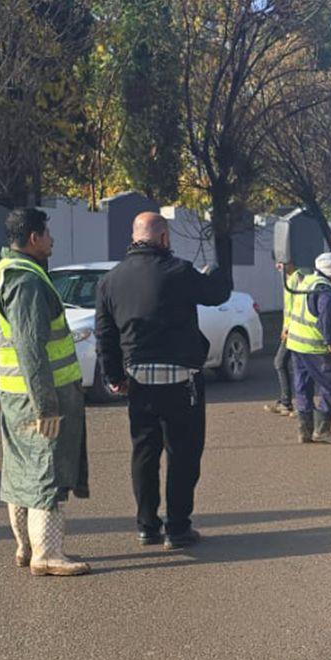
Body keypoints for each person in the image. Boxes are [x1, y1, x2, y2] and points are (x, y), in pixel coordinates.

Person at [94, 211, 230, 549]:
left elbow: (104, 335)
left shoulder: (110, 280)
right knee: (183, 454)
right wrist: (217, 270)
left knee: (144, 452)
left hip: (138, 381)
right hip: (181, 381)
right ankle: (178, 528)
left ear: (133, 236)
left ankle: (147, 526)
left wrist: (114, 376)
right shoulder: (179, 272)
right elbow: (216, 294)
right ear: (164, 238)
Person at [0, 206, 90, 577]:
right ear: (33, 238)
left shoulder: (4, 273)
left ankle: (25, 547)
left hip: (16, 395)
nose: (52, 240)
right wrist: (46, 405)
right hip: (40, 398)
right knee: (45, 471)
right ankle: (46, 554)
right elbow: (31, 347)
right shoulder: (27, 282)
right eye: (47, 233)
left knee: (20, 470)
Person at [287, 251, 331, 444]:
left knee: (303, 386)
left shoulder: (307, 281)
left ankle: (304, 431)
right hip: (314, 346)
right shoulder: (325, 290)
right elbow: (325, 320)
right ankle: (322, 429)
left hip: (296, 343)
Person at [264, 263, 299, 417]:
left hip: (297, 330)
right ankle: (287, 402)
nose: (278, 266)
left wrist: (287, 327)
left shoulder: (297, 279)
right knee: (283, 363)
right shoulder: (290, 279)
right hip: (292, 329)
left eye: (281, 263)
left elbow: (295, 308)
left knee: (284, 363)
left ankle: (295, 404)